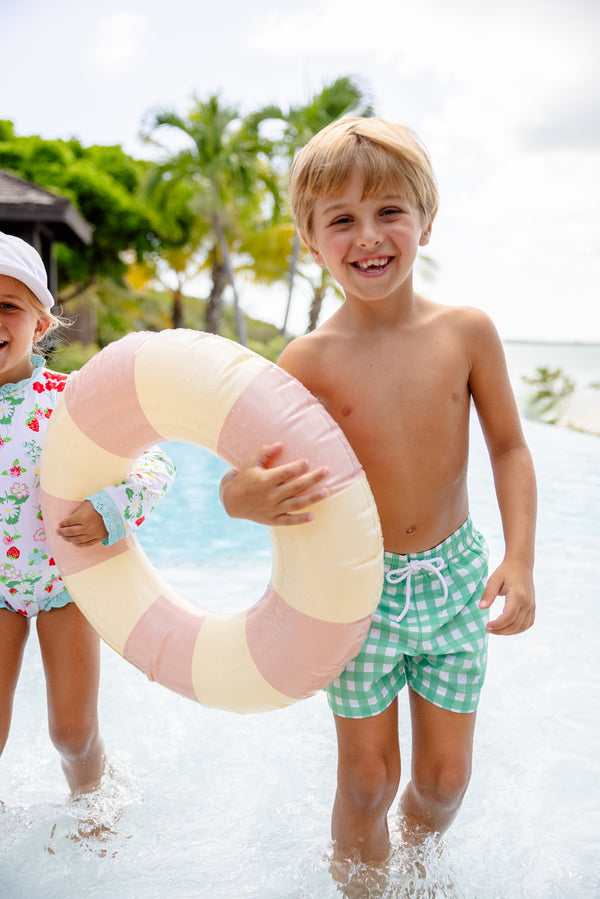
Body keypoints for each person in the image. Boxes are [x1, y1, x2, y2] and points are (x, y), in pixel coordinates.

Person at [221, 118, 536, 870]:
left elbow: (510, 447)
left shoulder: (466, 333)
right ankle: (361, 886)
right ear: (311, 238)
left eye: (389, 210)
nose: (369, 235)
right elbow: (234, 481)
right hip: (358, 591)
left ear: (426, 219)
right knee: (366, 782)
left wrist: (520, 559)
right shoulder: (309, 359)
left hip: (455, 580)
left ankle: (414, 872)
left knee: (444, 781)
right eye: (342, 219)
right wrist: (250, 496)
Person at [0, 232, 175, 799]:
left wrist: (110, 510)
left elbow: (153, 463)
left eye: (7, 307)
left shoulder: (71, 399)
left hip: (63, 585)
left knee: (72, 732)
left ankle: (93, 799)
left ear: (41, 324)